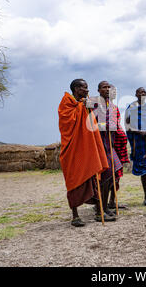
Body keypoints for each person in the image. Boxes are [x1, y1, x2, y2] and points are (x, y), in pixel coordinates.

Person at [58, 79, 109, 227]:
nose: (87, 90)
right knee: (74, 181)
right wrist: (82, 106)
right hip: (73, 150)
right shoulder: (66, 103)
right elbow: (66, 124)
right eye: (83, 88)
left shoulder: (84, 104)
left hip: (87, 149)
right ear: (75, 88)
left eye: (87, 88)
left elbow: (91, 124)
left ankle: (99, 212)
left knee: (94, 179)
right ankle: (75, 216)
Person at [91, 81, 129, 221]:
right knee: (103, 177)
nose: (107, 89)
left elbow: (116, 125)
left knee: (111, 175)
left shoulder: (113, 107)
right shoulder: (93, 102)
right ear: (99, 89)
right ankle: (99, 210)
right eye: (104, 87)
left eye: (109, 87)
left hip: (110, 145)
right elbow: (89, 120)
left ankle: (106, 206)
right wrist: (104, 125)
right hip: (98, 144)